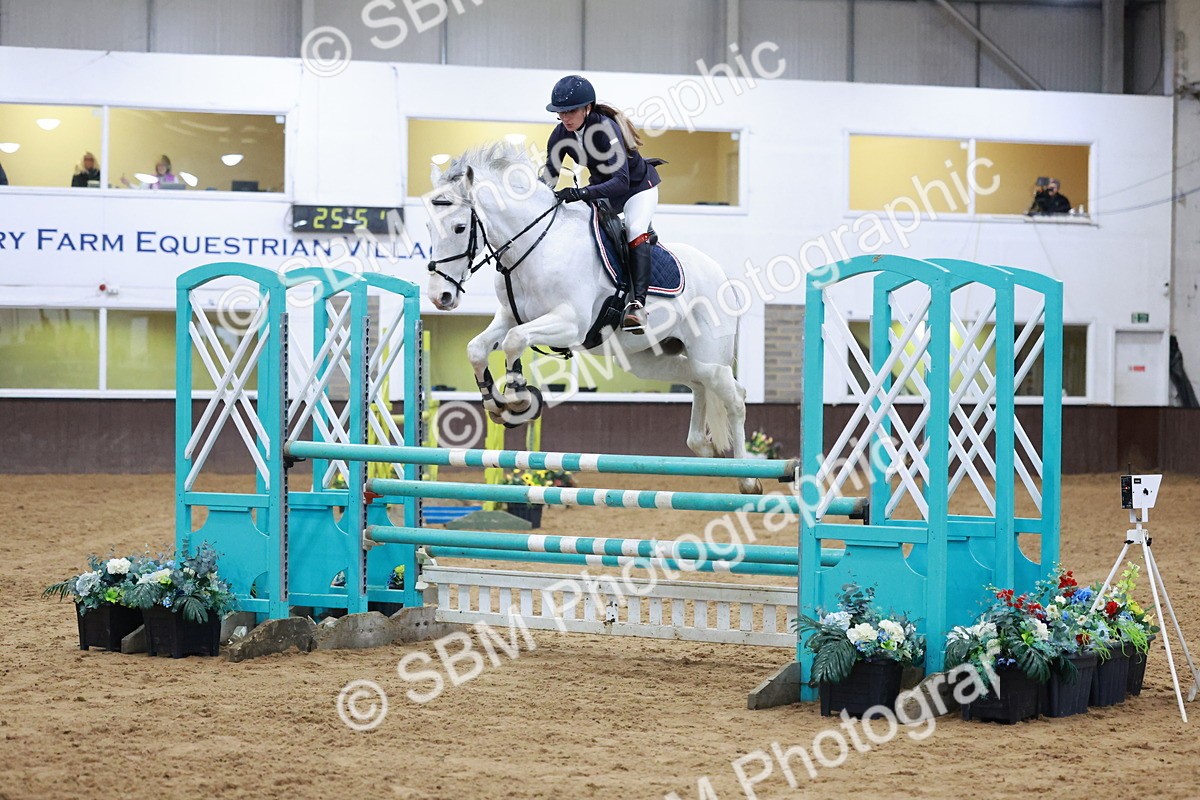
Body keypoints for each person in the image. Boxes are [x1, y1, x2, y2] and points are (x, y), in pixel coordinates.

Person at [542, 75, 661, 333]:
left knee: (634, 228)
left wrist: (580, 192)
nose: (565, 118)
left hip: (637, 189)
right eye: (560, 113)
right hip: (602, 189)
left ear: (588, 108)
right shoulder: (561, 134)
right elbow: (550, 176)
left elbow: (621, 181)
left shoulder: (606, 129)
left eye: (570, 111)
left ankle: (638, 305)